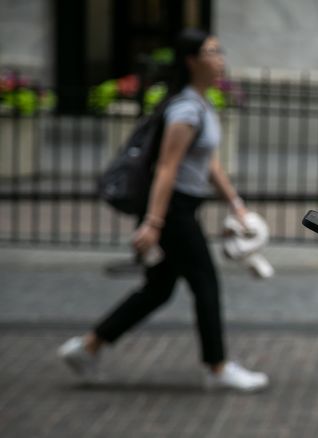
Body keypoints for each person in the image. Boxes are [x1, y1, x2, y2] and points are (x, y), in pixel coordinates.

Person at [58, 29, 268, 392]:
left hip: (180, 209)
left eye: (220, 51)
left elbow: (209, 163)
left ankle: (87, 347)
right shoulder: (185, 109)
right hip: (173, 212)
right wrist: (154, 222)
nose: (220, 58)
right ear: (191, 61)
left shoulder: (202, 103)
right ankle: (217, 368)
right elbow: (166, 169)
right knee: (205, 283)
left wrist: (235, 203)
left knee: (158, 289)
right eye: (212, 52)